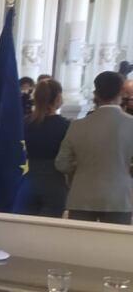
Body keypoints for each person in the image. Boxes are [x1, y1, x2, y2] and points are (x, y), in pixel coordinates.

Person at [56, 71, 133, 225]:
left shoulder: (77, 126)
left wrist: (83, 167)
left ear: (95, 93)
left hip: (82, 196)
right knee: (114, 245)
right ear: (121, 93)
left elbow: (61, 164)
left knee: (79, 247)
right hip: (119, 198)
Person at [13, 78, 69, 218]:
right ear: (57, 98)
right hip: (54, 182)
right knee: (48, 232)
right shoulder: (66, 125)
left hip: (28, 179)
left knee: (23, 229)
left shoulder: (24, 123)